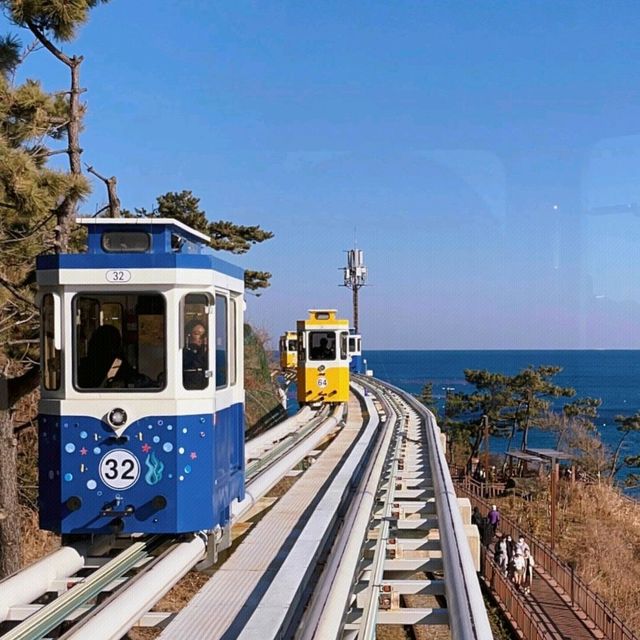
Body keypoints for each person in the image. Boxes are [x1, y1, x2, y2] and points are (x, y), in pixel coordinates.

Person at [183, 321, 208, 389]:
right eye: (197, 334)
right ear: (188, 335)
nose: (201, 337)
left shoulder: (207, 351)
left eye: (203, 334)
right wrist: (202, 348)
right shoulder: (184, 350)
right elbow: (194, 363)